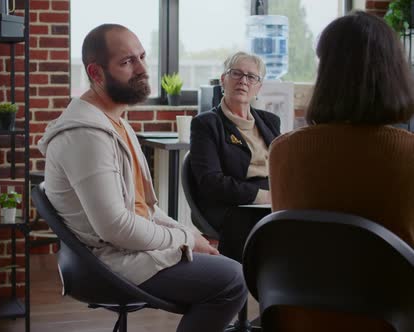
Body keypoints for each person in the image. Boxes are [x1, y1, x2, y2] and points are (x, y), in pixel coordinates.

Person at [37, 24, 246, 331]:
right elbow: (117, 228)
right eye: (126, 62)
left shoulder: (114, 121)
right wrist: (186, 239)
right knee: (233, 280)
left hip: (125, 253)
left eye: (142, 57)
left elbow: (143, 207)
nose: (141, 69)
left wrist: (188, 234)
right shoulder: (87, 136)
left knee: (227, 269)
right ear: (96, 74)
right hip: (109, 263)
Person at [268, 11, 414, 332]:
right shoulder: (408, 152)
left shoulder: (284, 151)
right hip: (393, 320)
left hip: (300, 318)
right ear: (395, 73)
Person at [189, 51, 281, 262]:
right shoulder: (206, 124)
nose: (243, 81)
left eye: (251, 77)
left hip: (272, 200)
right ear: (224, 80)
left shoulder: (270, 122)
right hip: (232, 204)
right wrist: (262, 196)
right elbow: (211, 182)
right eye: (236, 74)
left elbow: (284, 167)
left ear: (259, 87)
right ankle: (249, 285)